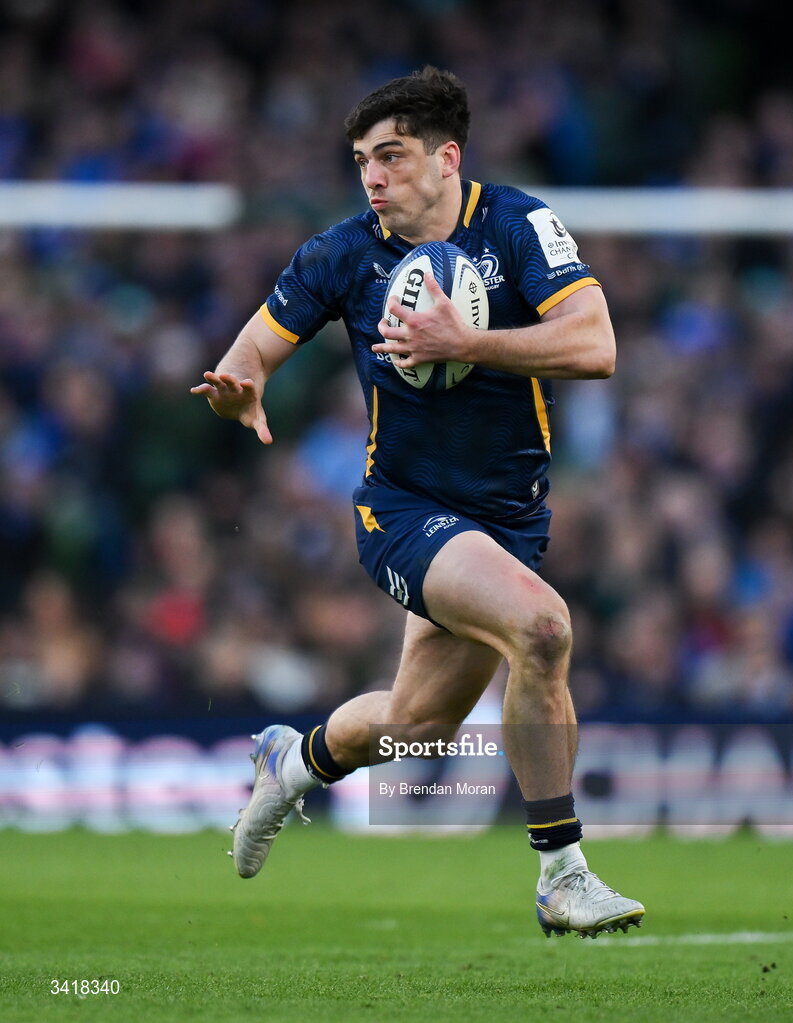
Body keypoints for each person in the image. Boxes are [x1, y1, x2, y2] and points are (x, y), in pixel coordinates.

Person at [192, 66, 644, 939]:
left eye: (391, 156)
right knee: (543, 630)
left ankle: (290, 760)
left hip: (507, 519)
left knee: (416, 727)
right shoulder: (340, 252)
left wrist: (467, 341)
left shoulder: (516, 227)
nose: (372, 176)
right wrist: (237, 386)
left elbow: (597, 345)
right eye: (362, 159)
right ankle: (562, 873)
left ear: (446, 158)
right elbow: (248, 350)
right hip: (399, 512)